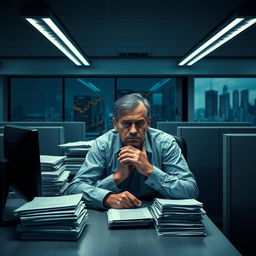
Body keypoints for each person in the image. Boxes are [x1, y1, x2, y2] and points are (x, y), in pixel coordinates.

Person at [66, 93, 199, 209]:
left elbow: (190, 190)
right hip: (110, 216)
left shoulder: (165, 143)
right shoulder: (102, 145)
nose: (134, 131)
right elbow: (74, 189)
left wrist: (149, 170)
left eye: (140, 123)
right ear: (115, 124)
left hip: (161, 218)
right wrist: (114, 182)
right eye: (126, 123)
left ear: (148, 122)